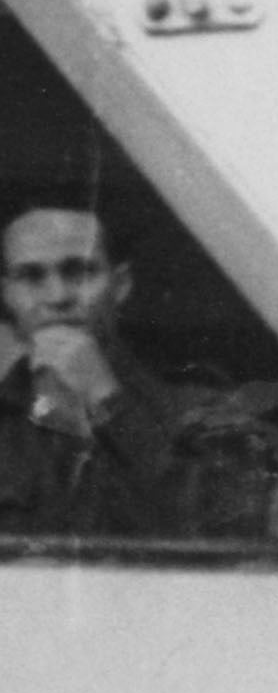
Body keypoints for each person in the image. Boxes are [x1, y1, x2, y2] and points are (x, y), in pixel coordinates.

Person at [0, 199, 214, 542]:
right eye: (31, 276)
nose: (56, 296)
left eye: (79, 271)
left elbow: (217, 536)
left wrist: (108, 400)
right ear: (6, 293)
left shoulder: (197, 408)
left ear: (121, 284)